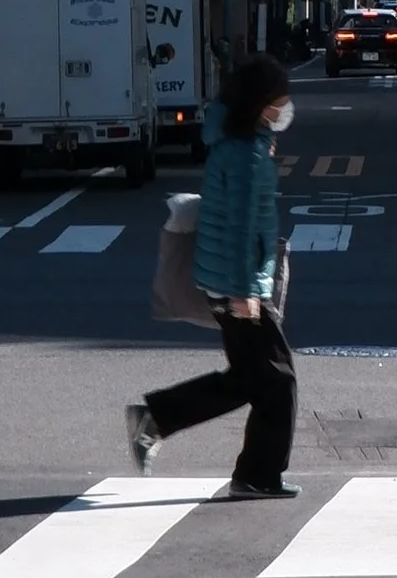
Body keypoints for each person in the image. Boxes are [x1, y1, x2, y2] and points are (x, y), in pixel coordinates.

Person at [127, 55, 298, 501]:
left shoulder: (239, 144)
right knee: (277, 382)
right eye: (280, 100)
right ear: (261, 104)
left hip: (225, 278)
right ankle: (256, 476)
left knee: (251, 379)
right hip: (236, 283)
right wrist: (245, 290)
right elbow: (242, 224)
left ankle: (159, 420)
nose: (285, 108)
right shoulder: (247, 156)